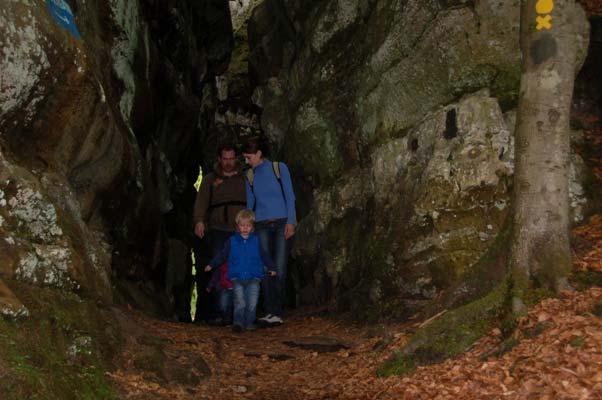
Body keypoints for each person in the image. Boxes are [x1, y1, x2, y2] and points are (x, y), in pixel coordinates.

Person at [241, 137, 296, 327]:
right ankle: (270, 311)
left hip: (282, 223)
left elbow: (290, 196)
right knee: (265, 268)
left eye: (249, 158)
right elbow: (250, 205)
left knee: (279, 268)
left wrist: (291, 222)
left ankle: (277, 312)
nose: (247, 162)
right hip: (261, 225)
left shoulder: (279, 168)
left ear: (258, 154)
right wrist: (246, 227)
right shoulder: (249, 176)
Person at [193, 143, 246, 324]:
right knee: (219, 270)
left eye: (231, 159)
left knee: (242, 269)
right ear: (219, 159)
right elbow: (201, 202)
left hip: (242, 231)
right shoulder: (210, 179)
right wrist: (199, 220)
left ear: (236, 159)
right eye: (225, 159)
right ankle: (221, 311)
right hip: (218, 230)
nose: (228, 163)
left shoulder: (245, 178)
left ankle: (238, 312)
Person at [205, 210, 277, 332]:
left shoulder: (256, 241)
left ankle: (249, 323)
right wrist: (211, 264)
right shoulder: (232, 241)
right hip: (237, 278)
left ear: (252, 227)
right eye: (242, 225)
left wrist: (272, 268)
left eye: (248, 225)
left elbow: (264, 255)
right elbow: (222, 255)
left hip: (254, 277)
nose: (245, 228)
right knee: (240, 302)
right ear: (238, 226)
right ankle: (238, 323)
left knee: (252, 302)